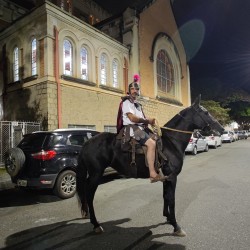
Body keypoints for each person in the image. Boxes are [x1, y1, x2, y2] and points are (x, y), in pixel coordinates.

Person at [119, 74, 167, 183]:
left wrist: (151, 122)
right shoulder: (126, 102)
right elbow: (133, 118)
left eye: (136, 89)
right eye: (132, 88)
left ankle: (158, 166)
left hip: (140, 128)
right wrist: (147, 121)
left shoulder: (138, 105)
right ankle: (152, 173)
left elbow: (142, 118)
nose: (134, 90)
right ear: (129, 90)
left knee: (157, 138)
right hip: (132, 128)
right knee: (151, 144)